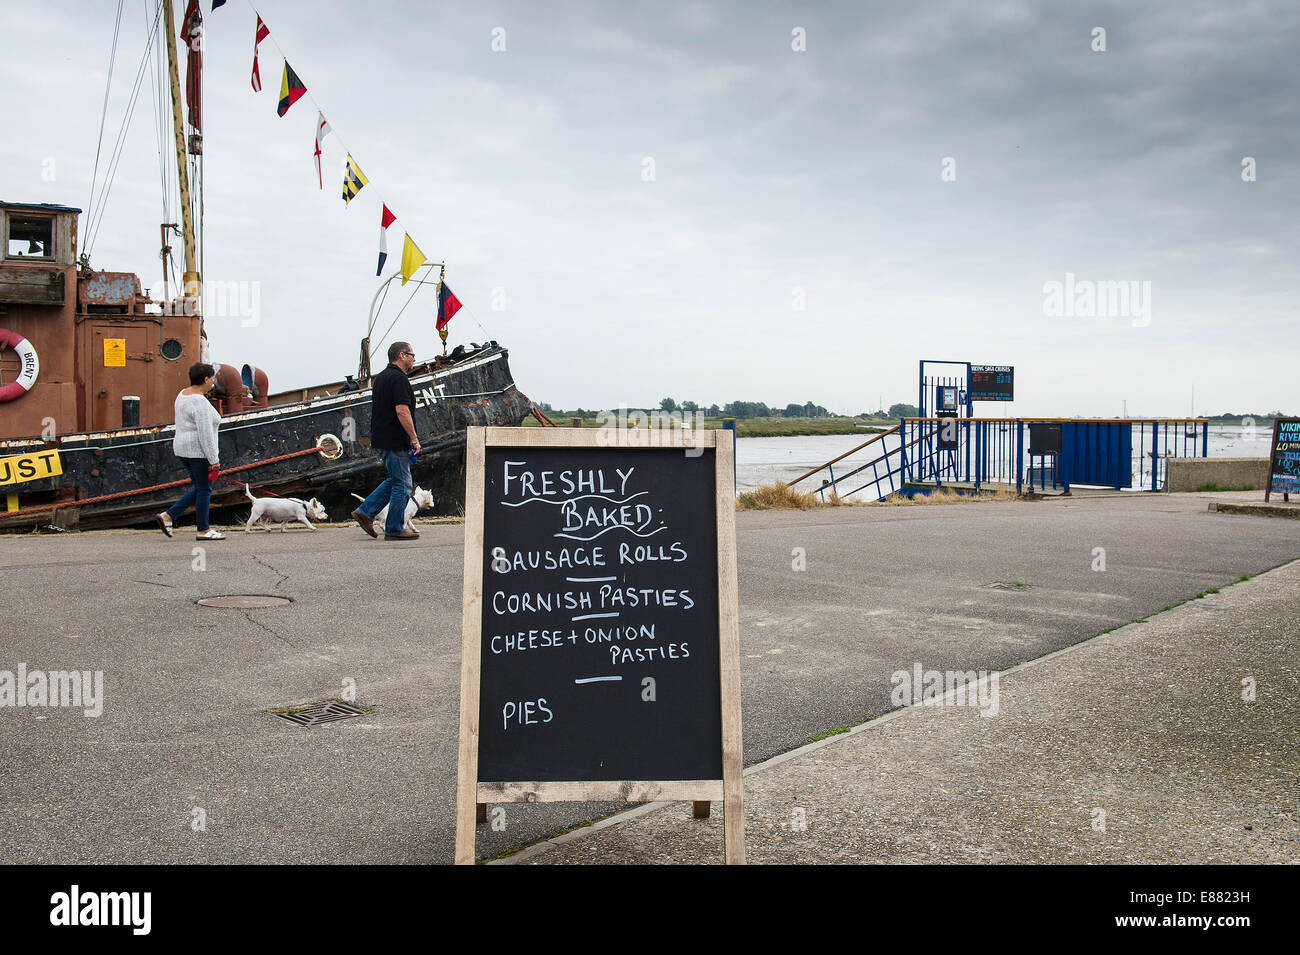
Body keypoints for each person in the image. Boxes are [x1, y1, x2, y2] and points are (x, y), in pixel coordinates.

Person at [352, 341, 421, 541]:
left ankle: (366, 512)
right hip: (395, 439)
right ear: (401, 355)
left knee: (395, 479)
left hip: (382, 438)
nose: (414, 358)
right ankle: (393, 527)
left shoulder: (381, 378)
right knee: (404, 484)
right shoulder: (399, 379)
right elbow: (401, 410)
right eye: (411, 354)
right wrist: (414, 438)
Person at [157, 362, 225, 541]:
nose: (213, 382)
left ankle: (169, 516)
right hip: (198, 452)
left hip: (182, 449)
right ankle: (203, 530)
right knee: (204, 490)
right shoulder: (199, 401)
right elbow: (205, 433)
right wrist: (214, 459)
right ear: (205, 379)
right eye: (212, 378)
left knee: (200, 488)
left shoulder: (182, 394)